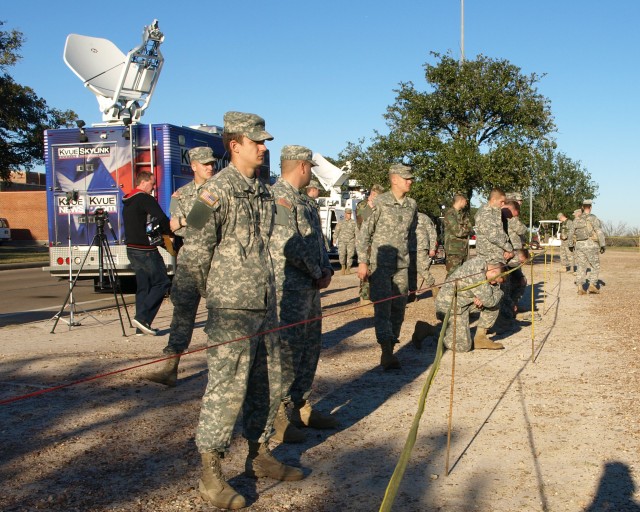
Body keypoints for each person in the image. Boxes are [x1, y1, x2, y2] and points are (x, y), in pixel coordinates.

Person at [184, 112, 303, 510]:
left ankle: (259, 454)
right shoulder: (216, 192)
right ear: (234, 145)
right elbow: (195, 254)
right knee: (226, 389)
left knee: (268, 382)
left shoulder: (264, 191)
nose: (264, 149)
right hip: (232, 308)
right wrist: (212, 296)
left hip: (265, 303)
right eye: (257, 142)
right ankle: (211, 474)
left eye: (265, 142)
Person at [269, 145, 336, 444]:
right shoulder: (279, 198)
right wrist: (315, 271)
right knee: (288, 352)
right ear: (303, 166)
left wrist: (326, 268)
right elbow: (289, 243)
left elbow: (316, 243)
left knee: (310, 347)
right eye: (311, 167)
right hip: (290, 287)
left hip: (309, 287)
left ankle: (300, 405)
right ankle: (280, 416)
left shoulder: (305, 202)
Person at [145, 147, 216, 386]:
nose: (210, 167)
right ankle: (170, 367)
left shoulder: (219, 190)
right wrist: (188, 222)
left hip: (216, 261)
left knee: (219, 315)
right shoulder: (181, 195)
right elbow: (174, 227)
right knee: (181, 316)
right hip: (187, 263)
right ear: (193, 165)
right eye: (205, 164)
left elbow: (207, 224)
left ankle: (220, 369)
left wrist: (186, 221)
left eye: (212, 163)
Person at [357, 164, 417, 370]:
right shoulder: (379, 203)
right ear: (394, 179)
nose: (410, 181)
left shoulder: (412, 205)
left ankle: (392, 343)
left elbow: (411, 237)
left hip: (402, 265)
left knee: (399, 308)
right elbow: (365, 234)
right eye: (406, 178)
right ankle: (386, 351)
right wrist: (363, 262)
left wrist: (414, 269)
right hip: (380, 265)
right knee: (383, 308)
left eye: (410, 178)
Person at [122, 171, 172, 336]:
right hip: (146, 249)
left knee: (144, 286)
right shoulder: (144, 199)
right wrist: (171, 234)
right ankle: (143, 318)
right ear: (143, 183)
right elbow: (161, 218)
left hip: (131, 248)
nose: (154, 187)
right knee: (162, 282)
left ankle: (141, 327)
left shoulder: (128, 201)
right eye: (152, 183)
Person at [435, 259, 506, 351]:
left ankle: (480, 338)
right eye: (495, 280)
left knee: (495, 303)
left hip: (463, 303)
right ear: (493, 271)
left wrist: (482, 297)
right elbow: (489, 301)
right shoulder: (477, 270)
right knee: (463, 347)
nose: (494, 283)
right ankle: (429, 330)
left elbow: (492, 295)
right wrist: (496, 294)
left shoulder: (485, 269)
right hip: (449, 307)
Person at [355, 184, 384, 307]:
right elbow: (361, 220)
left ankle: (376, 298)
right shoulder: (363, 205)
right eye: (375, 195)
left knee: (377, 271)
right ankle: (365, 299)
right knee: (366, 270)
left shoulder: (380, 207)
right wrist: (370, 207)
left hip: (378, 244)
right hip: (366, 244)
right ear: (372, 194)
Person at [568, 199, 606, 295]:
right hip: (591, 245)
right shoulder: (593, 218)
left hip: (579, 245)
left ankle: (580, 287)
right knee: (595, 265)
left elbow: (571, 233)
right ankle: (592, 285)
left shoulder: (576, 219)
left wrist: (570, 245)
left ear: (582, 207)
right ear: (591, 207)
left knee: (581, 266)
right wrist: (602, 244)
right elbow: (599, 231)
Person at [408, 212, 438, 301]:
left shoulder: (423, 217)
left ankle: (434, 288)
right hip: (408, 248)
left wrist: (433, 248)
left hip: (421, 247)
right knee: (411, 272)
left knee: (422, 269)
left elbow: (432, 233)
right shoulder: (406, 216)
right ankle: (412, 295)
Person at [443, 194, 471, 277]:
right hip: (453, 250)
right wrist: (466, 229)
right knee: (452, 276)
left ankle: (458, 290)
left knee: (462, 276)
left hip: (463, 249)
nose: (466, 203)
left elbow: (470, 227)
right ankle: (447, 290)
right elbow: (458, 232)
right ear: (461, 200)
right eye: (465, 201)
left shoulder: (463, 215)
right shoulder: (450, 214)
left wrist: (466, 228)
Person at [334, 208, 357, 274]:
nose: (349, 215)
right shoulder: (341, 223)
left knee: (350, 255)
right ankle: (343, 267)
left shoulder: (354, 223)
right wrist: (334, 239)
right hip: (342, 241)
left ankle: (348, 268)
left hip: (351, 241)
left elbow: (357, 232)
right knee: (342, 254)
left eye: (350, 214)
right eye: (347, 213)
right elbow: (336, 231)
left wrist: (357, 241)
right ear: (345, 214)